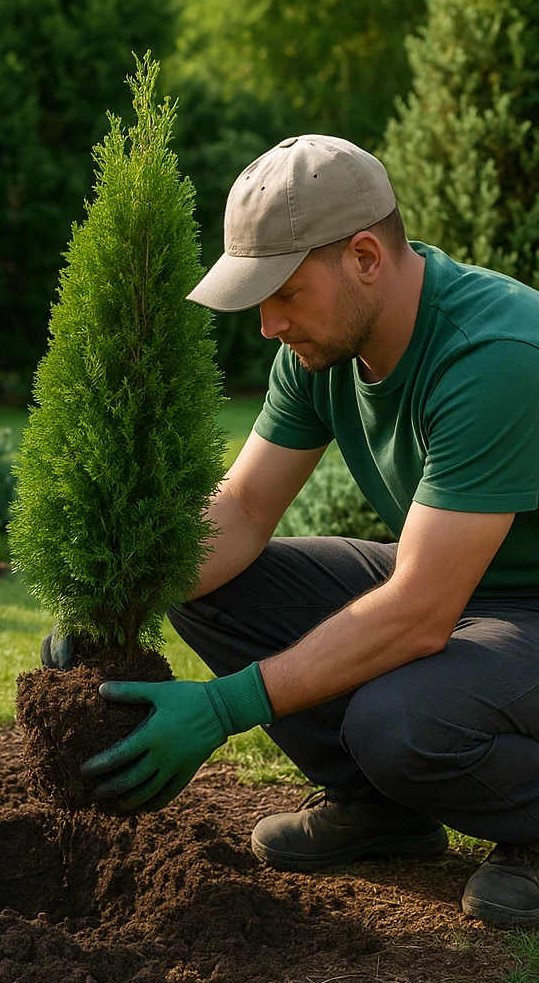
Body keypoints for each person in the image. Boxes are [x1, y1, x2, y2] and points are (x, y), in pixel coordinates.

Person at [47, 134, 539, 929]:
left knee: (401, 723)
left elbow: (421, 610)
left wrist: (223, 708)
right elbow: (242, 510)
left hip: (509, 604)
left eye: (284, 292)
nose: (268, 324)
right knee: (205, 581)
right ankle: (380, 808)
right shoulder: (324, 349)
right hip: (471, 588)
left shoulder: (496, 356)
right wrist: (116, 601)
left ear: (365, 257)